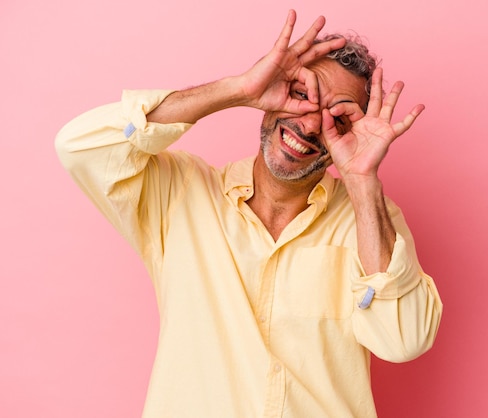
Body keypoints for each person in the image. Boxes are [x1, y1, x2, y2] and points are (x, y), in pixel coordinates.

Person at [56, 10, 442, 418]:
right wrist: (237, 90)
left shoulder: (370, 219)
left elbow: (404, 340)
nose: (311, 124)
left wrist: (363, 181)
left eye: (339, 118)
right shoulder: (181, 193)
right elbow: (79, 146)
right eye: (301, 93)